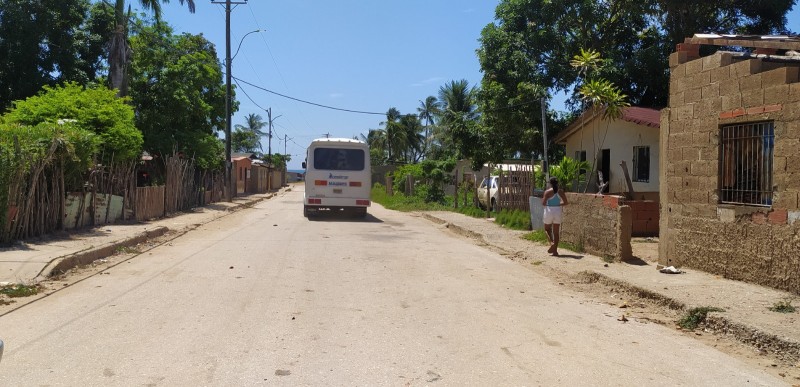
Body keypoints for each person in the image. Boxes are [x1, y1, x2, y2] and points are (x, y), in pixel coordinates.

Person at [542, 177, 568, 256]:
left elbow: (543, 203)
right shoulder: (560, 192)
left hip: (549, 211)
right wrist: (557, 204)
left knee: (547, 229)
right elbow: (566, 203)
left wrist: (549, 204)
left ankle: (551, 243)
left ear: (550, 183)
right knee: (556, 232)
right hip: (558, 211)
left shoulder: (547, 192)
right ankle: (555, 251)